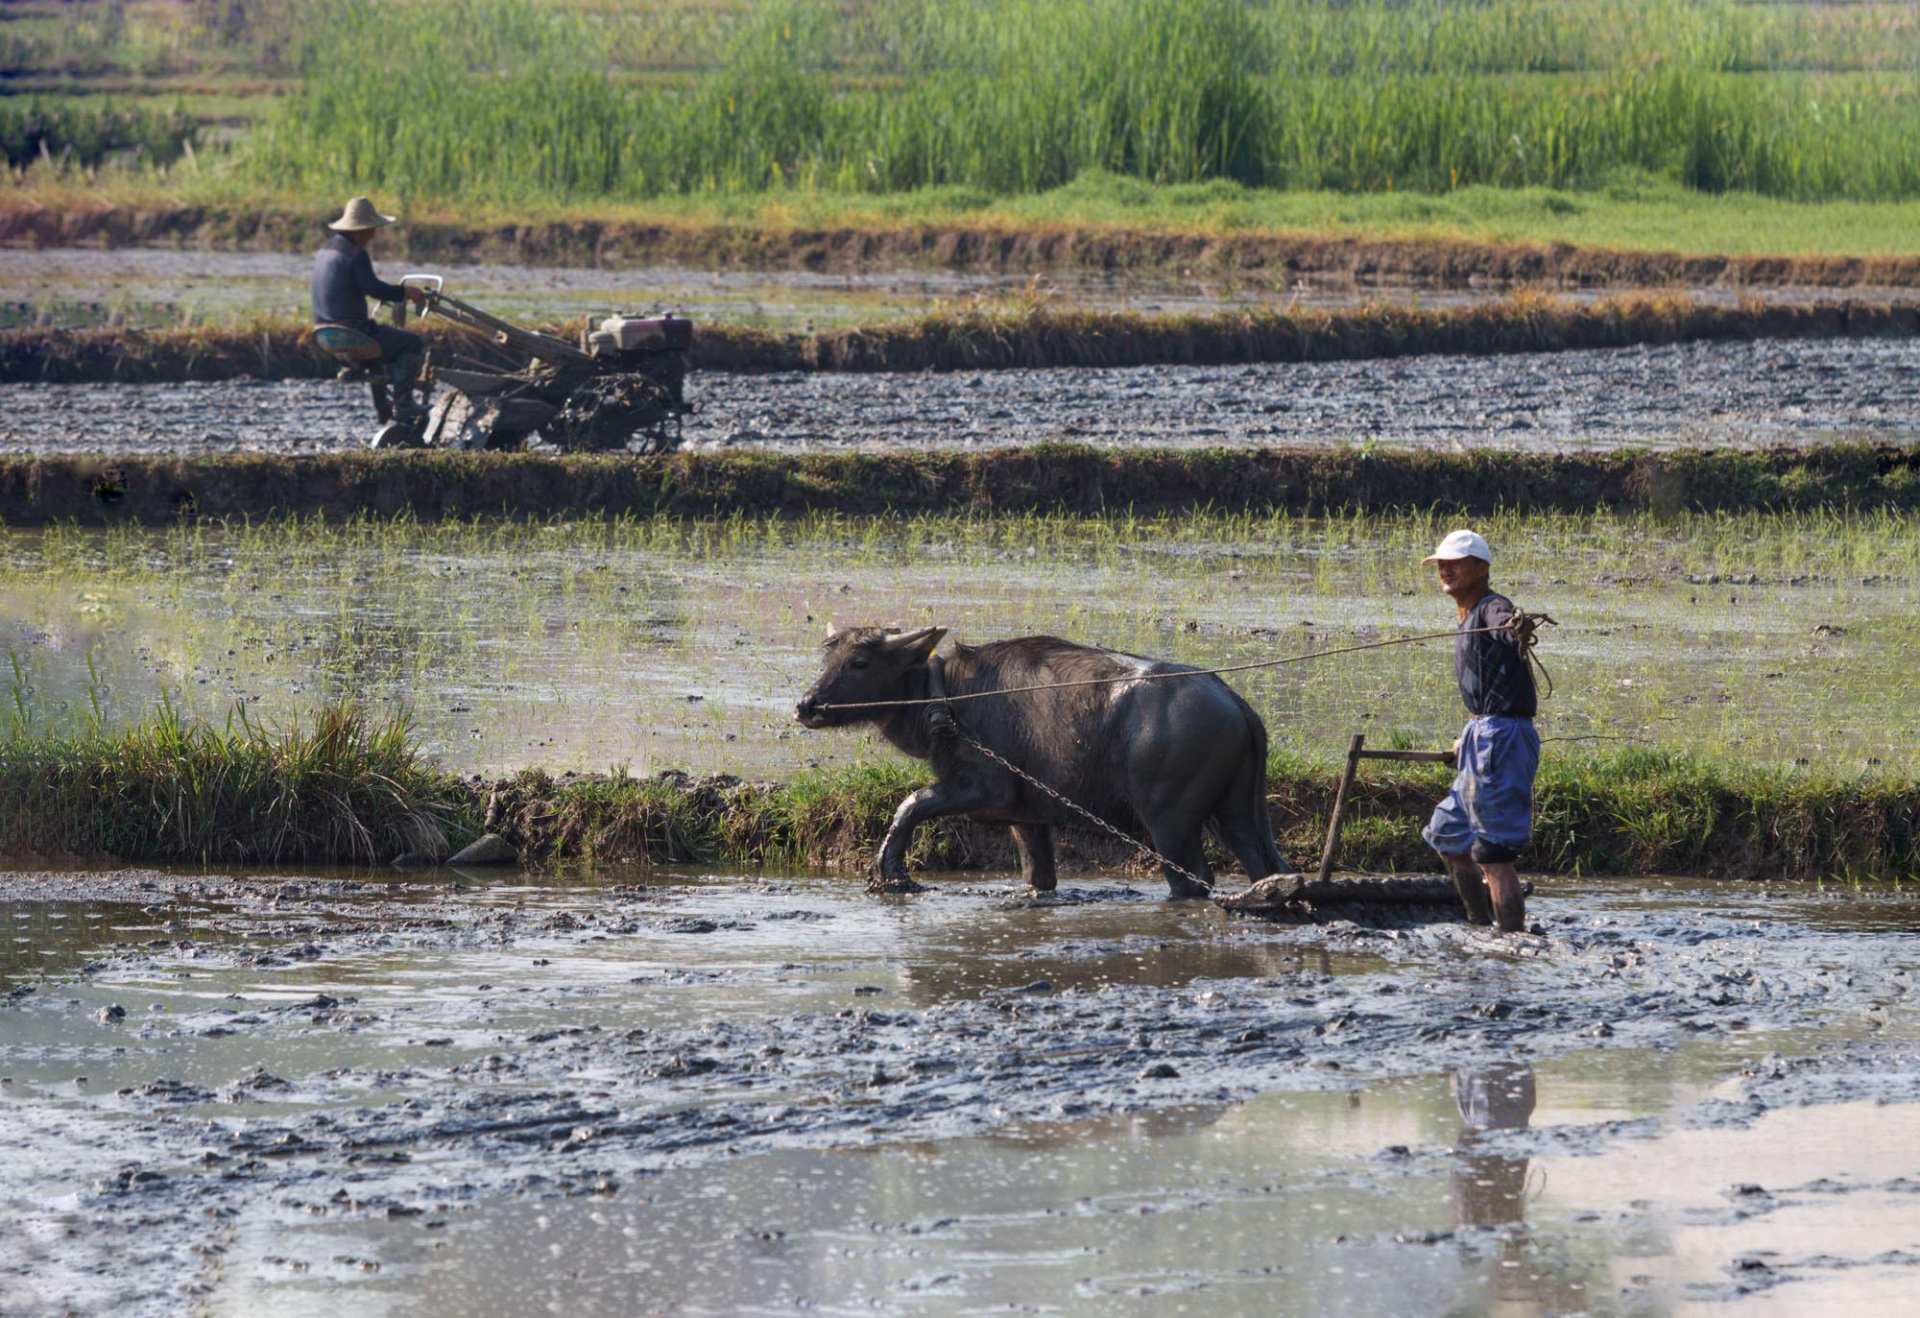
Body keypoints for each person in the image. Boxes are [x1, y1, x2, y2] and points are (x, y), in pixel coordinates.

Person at [1421, 529, 1539, 933]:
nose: (1446, 570)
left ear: (1481, 568)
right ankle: (1477, 923)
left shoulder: (1492, 608)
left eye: (1455, 563)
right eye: (1441, 564)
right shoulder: (1467, 616)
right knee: (1449, 837)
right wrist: (1468, 734)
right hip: (1482, 733)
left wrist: (1516, 627)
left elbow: (1508, 624)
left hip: (1501, 739)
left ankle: (1510, 940)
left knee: (1493, 854)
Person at [311, 196, 430, 418]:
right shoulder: (355, 254)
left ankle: (383, 411)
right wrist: (406, 293)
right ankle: (404, 405)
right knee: (412, 343)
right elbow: (373, 288)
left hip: (324, 334)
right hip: (352, 333)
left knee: (379, 351)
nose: (373, 234)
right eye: (371, 229)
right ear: (360, 230)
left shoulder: (325, 251)